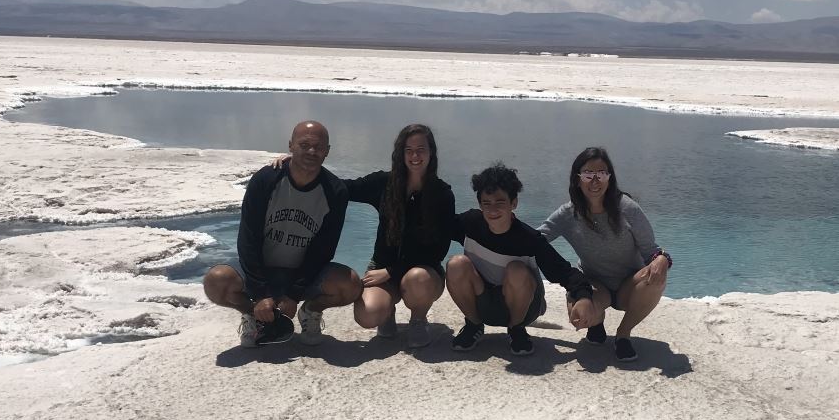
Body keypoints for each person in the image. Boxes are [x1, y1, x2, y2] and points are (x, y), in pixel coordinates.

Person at [272, 124, 456, 349]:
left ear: (431, 153)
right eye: (408, 150)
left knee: (416, 278)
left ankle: (418, 319)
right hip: (382, 267)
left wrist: (391, 271)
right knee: (367, 315)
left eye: (421, 149)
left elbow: (439, 250)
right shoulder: (385, 184)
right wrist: (297, 165)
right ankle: (387, 311)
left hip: (423, 272)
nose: (415, 156)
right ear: (400, 153)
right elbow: (340, 188)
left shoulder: (442, 194)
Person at [202, 120, 361, 347]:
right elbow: (248, 239)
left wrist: (295, 295)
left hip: (301, 274)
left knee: (351, 284)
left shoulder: (335, 191)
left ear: (327, 151)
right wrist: (259, 293)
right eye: (304, 145)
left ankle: (310, 311)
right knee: (216, 281)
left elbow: (323, 250)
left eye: (318, 146)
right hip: (262, 269)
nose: (311, 151)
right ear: (291, 146)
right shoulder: (266, 180)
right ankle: (254, 315)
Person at [446, 162, 595, 356]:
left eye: (500, 202)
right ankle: (474, 325)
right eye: (486, 203)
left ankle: (516, 330)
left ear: (513, 203)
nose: (492, 210)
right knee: (456, 264)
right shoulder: (470, 223)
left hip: (523, 307)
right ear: (479, 204)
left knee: (516, 270)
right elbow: (436, 230)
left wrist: (583, 297)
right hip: (484, 302)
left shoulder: (529, 239)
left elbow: (565, 272)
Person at [539, 147, 670, 361]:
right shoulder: (568, 213)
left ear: (610, 177)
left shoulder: (628, 208)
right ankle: (596, 323)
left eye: (601, 174)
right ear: (577, 178)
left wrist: (663, 259)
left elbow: (651, 251)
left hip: (630, 286)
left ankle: (623, 335)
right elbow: (536, 240)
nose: (595, 181)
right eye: (588, 174)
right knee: (580, 317)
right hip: (594, 283)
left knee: (656, 277)